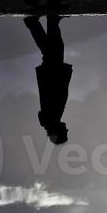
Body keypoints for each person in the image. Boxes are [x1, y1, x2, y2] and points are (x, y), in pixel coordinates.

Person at [24, 14, 72, 145]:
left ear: (58, 131)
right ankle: (37, 23)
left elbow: (56, 91)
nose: (66, 129)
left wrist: (61, 74)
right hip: (51, 73)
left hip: (52, 73)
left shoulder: (52, 118)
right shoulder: (50, 119)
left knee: (55, 46)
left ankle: (49, 21)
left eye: (65, 132)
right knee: (49, 48)